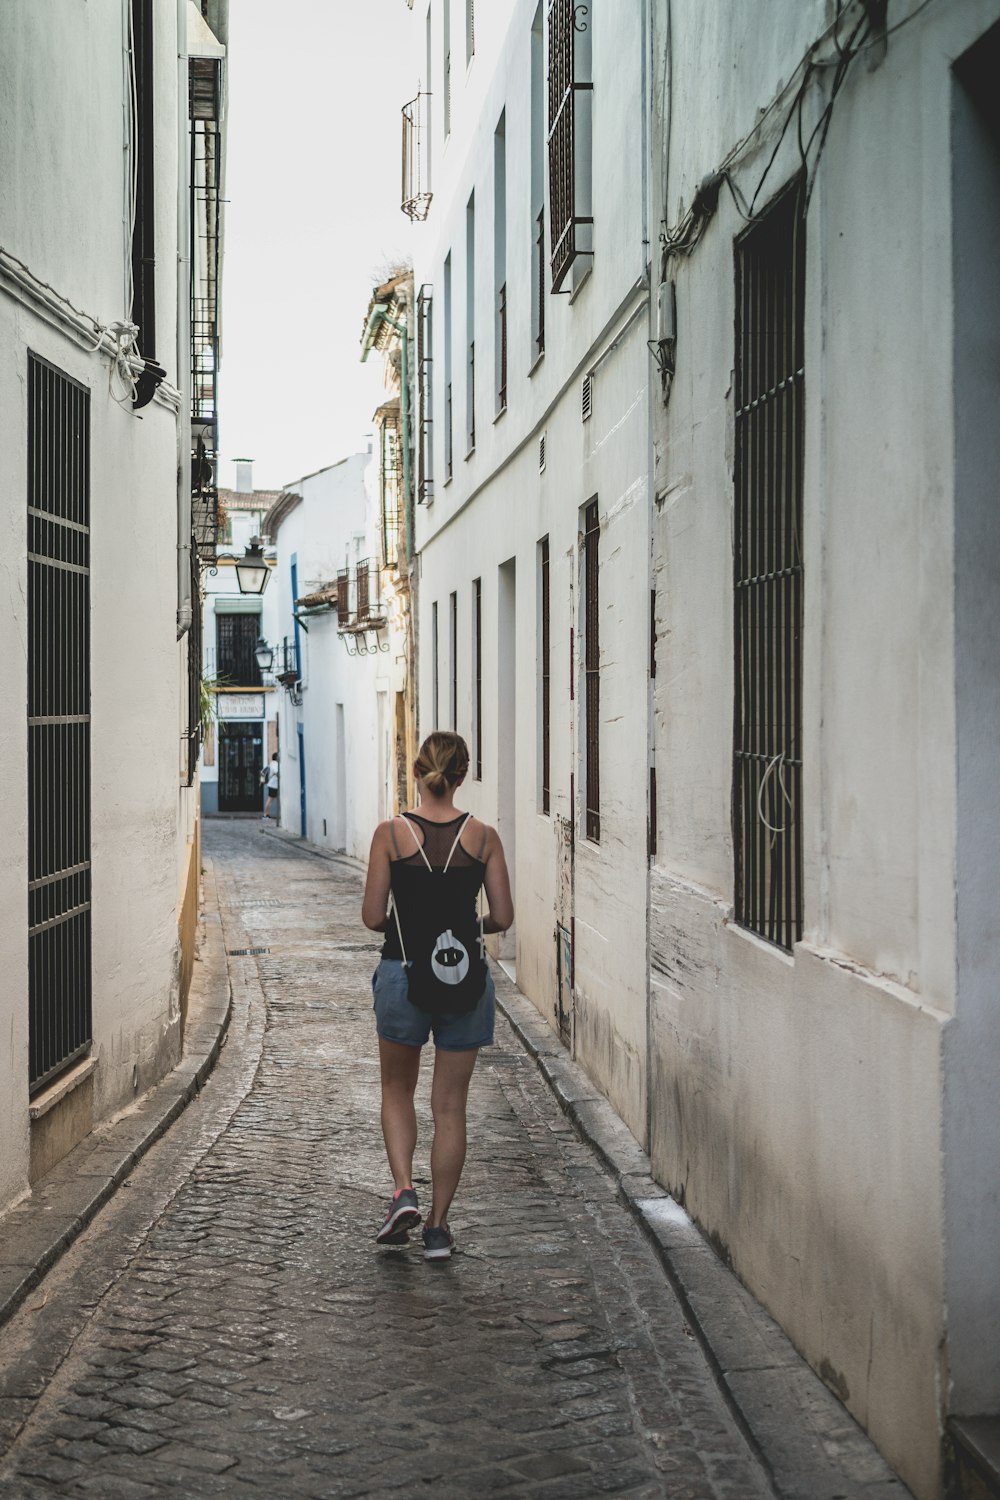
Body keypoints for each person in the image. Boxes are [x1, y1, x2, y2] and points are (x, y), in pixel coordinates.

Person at [362, 731, 513, 1260]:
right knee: (451, 1108)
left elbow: (373, 917)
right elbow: (504, 917)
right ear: (463, 775)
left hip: (402, 972)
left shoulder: (391, 834)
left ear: (419, 773)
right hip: (464, 977)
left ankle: (403, 1190)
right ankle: (439, 1228)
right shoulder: (484, 838)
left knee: (396, 1091)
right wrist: (471, 923)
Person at [261, 754, 279, 821]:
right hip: (274, 785)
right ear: (276, 757)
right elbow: (276, 772)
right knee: (270, 800)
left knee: (271, 800)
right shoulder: (275, 764)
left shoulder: (271, 763)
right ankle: (265, 815)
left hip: (272, 784)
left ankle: (266, 814)